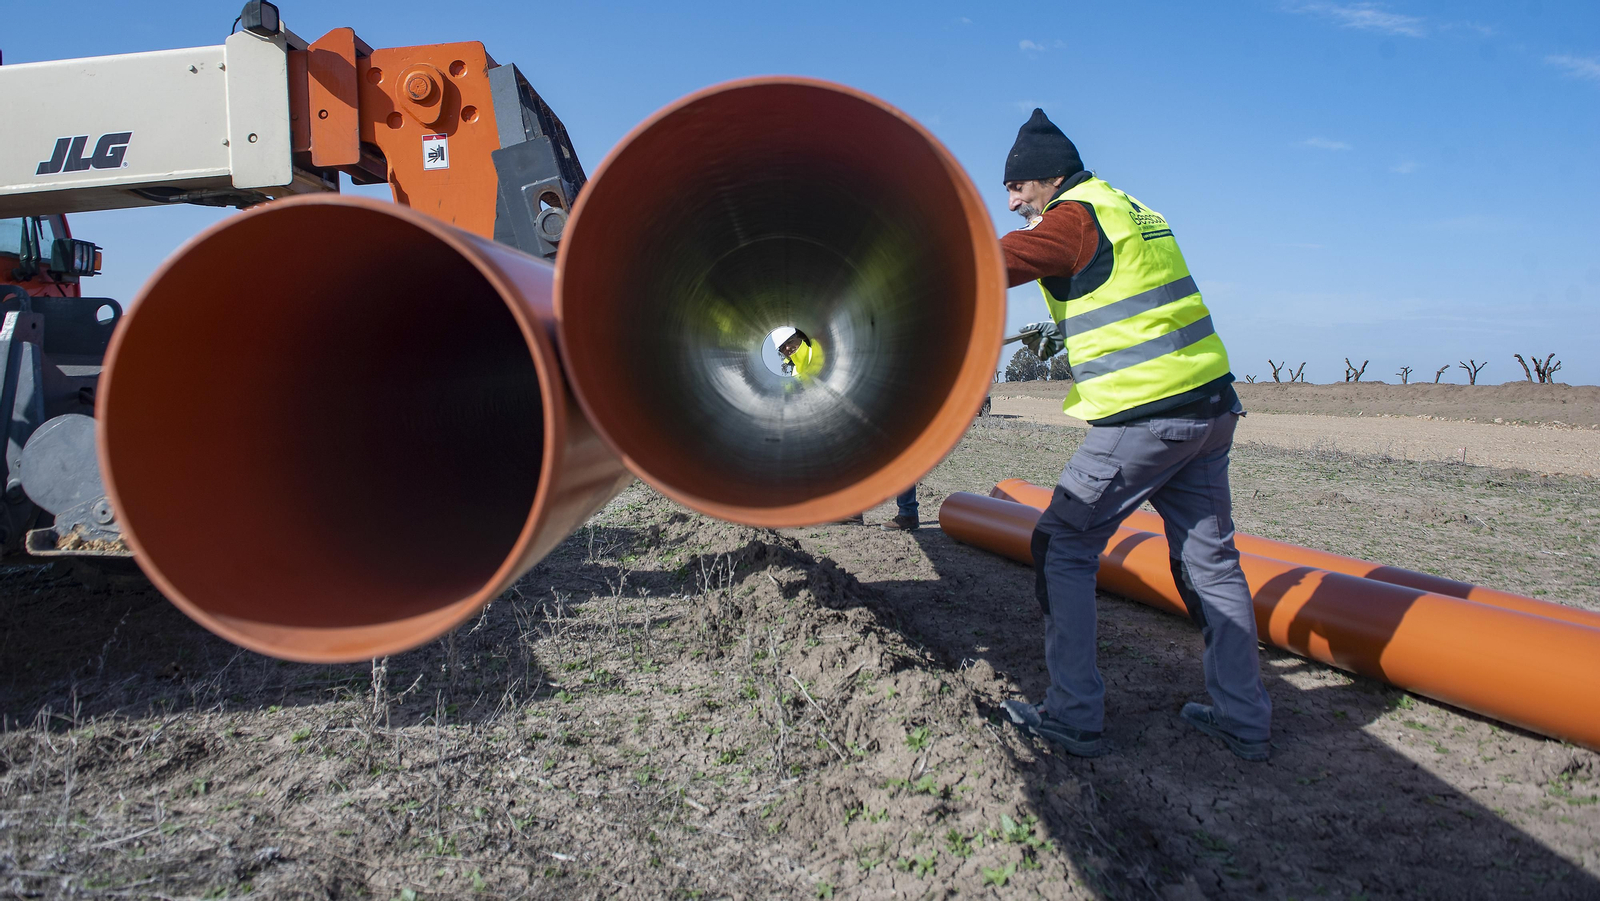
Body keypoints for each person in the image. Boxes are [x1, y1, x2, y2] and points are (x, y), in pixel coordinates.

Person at [995, 109, 1272, 761]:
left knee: (1062, 543)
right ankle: (1242, 718)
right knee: (1212, 560)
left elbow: (997, 261)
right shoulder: (1131, 207)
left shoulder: (1074, 215)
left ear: (1048, 178)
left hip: (1148, 416)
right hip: (1211, 406)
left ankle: (1072, 712)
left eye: (1017, 188)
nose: (1011, 201)